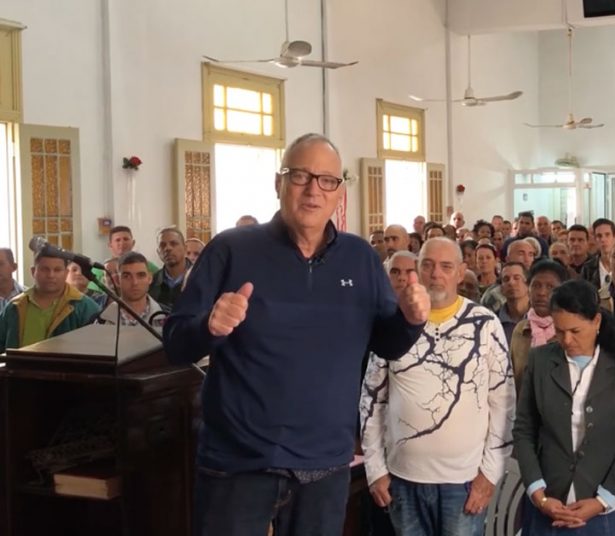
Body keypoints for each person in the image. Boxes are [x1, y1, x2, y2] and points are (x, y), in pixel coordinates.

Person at [163, 133, 430, 536]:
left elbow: (388, 344)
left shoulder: (359, 258)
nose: (313, 190)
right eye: (300, 176)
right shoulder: (231, 249)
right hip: (238, 463)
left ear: (340, 193)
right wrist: (209, 327)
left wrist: (410, 320)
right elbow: (175, 343)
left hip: (323, 465)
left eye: (327, 180)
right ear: (279, 183)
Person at [361, 238, 515, 536]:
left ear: (461, 271)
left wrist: (489, 474)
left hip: (465, 482)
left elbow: (504, 402)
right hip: (403, 480)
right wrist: (375, 469)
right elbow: (371, 401)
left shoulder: (485, 324)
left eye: (446, 267)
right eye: (428, 265)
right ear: (416, 269)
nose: (436, 274)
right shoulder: (393, 324)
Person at [513, 280, 615, 535]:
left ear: (596, 321)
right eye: (559, 330)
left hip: (609, 508)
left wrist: (602, 500)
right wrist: (538, 492)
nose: (567, 340)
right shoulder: (541, 361)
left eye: (575, 331)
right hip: (549, 502)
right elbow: (524, 430)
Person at [0, 249, 101, 352]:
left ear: (66, 273)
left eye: (57, 270)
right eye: (45, 269)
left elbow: (98, 348)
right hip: (18, 363)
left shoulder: (84, 306)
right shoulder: (15, 306)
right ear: (33, 271)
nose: (51, 275)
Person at [509, 260, 570, 390]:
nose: (542, 293)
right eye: (536, 285)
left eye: (550, 287)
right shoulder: (521, 330)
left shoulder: (569, 332)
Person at [98, 252, 169, 326]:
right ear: (118, 280)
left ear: (150, 278)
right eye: (127, 276)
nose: (135, 282)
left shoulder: (168, 317)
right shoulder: (101, 320)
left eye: (141, 275)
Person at [150, 226, 190, 307]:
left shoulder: (200, 277)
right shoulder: (151, 283)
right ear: (158, 252)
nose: (167, 248)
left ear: (185, 248)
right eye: (162, 245)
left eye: (173, 244)